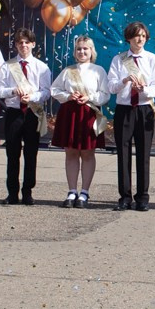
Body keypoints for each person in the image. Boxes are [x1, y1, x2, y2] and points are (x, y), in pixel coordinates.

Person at [107, 22, 155, 213]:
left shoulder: (153, 59)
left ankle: (142, 197)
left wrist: (144, 89)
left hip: (144, 109)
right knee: (123, 154)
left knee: (144, 154)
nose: (139, 39)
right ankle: (124, 197)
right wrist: (125, 81)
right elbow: (111, 86)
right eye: (136, 36)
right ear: (128, 38)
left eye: (143, 36)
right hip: (124, 109)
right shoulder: (119, 59)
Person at [51, 34, 108, 209]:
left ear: (92, 51)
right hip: (70, 113)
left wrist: (89, 97)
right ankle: (72, 190)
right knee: (71, 152)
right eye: (79, 49)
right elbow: (54, 89)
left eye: (85, 48)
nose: (82, 51)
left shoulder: (98, 70)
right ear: (75, 52)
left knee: (88, 153)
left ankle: (84, 192)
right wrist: (68, 95)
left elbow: (105, 94)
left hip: (89, 114)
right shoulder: (68, 71)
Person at [0, 29, 51, 206]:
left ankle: (28, 191)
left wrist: (32, 96)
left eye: (27, 42)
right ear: (16, 45)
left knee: (31, 153)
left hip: (32, 112)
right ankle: (12, 192)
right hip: (14, 112)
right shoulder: (8, 66)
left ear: (33, 44)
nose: (23, 45)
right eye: (20, 42)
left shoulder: (41, 67)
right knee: (12, 154)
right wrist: (13, 90)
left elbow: (46, 92)